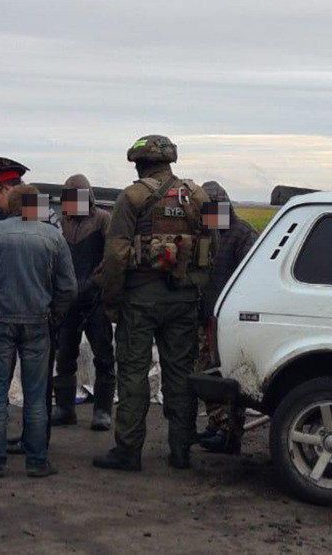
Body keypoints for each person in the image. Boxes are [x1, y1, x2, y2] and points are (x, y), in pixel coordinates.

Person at [93, 135, 217, 471]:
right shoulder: (199, 194)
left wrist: (112, 302)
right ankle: (181, 451)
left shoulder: (130, 197)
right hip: (185, 299)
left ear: (138, 162)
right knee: (180, 375)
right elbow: (214, 244)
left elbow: (116, 255)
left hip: (140, 301)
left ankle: (128, 452)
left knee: (133, 375)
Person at [0, 185, 77, 478]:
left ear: (8, 205)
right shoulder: (53, 237)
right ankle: (37, 461)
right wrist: (55, 316)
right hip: (38, 322)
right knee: (37, 395)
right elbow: (68, 288)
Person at [195, 180, 258, 454]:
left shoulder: (243, 234)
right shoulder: (204, 233)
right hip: (206, 317)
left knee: (226, 379)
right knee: (207, 375)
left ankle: (229, 434)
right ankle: (216, 425)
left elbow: (250, 278)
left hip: (229, 321)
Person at [52, 174, 116, 431]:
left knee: (103, 355)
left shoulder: (103, 219)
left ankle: (102, 410)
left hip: (95, 299)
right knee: (65, 354)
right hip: (68, 300)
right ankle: (65, 408)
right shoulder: (61, 224)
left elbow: (112, 256)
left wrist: (94, 283)